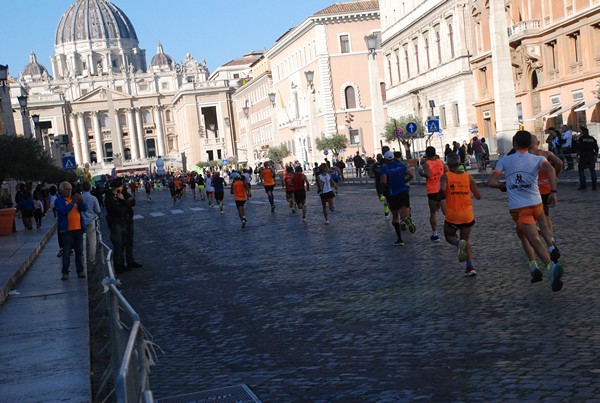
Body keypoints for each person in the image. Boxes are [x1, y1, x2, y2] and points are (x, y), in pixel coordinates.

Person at [487, 130, 563, 292]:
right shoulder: (538, 159)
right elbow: (551, 169)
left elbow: (491, 181)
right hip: (536, 203)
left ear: (514, 143)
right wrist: (554, 192)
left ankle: (550, 267)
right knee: (538, 227)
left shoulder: (505, 161)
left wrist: (502, 186)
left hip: (519, 207)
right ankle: (549, 248)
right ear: (530, 144)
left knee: (533, 238)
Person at [439, 154, 481, 276]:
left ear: (447, 164)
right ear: (460, 164)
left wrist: (439, 198)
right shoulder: (468, 177)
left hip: (453, 215)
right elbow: (478, 196)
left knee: (448, 236)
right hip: (467, 214)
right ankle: (470, 266)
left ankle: (458, 244)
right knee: (466, 240)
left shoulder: (445, 177)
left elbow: (442, 190)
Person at [529, 134, 562, 261]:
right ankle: (551, 239)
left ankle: (544, 241)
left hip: (533, 190)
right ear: (537, 142)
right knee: (545, 215)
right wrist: (554, 176)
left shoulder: (527, 157)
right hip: (547, 189)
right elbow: (559, 162)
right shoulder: (546, 154)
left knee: (535, 217)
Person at [381, 151, 416, 246]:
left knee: (395, 217)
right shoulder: (401, 165)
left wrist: (385, 191)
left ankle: (400, 239)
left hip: (393, 193)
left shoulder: (385, 169)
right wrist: (404, 181)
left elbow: (384, 182)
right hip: (404, 190)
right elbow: (411, 175)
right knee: (404, 213)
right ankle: (406, 219)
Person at [55, 181, 87, 280]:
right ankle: (65, 272)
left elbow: (84, 209)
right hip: (66, 231)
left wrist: (81, 201)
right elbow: (63, 211)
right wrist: (72, 202)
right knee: (66, 252)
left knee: (79, 252)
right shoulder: (59, 201)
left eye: (70, 189)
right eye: (67, 189)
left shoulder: (75, 200)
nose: (69, 191)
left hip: (78, 229)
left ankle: (80, 271)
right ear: (61, 190)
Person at [421, 146, 447, 241]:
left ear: (427, 154)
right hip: (441, 189)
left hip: (432, 190)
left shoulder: (426, 164)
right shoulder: (440, 162)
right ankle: (453, 229)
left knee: (433, 213)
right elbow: (447, 171)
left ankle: (435, 234)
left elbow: (428, 174)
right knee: (446, 212)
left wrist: (421, 173)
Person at [105, 178, 129, 274]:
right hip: (115, 222)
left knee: (123, 244)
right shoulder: (110, 197)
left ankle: (122, 264)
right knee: (118, 245)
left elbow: (128, 205)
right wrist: (123, 202)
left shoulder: (119, 195)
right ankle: (118, 266)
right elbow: (119, 209)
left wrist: (123, 200)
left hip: (122, 221)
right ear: (117, 188)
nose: (122, 188)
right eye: (121, 186)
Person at [81, 181, 102, 266]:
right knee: (92, 240)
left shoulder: (80, 197)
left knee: (80, 240)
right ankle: (92, 259)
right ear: (90, 188)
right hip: (91, 220)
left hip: (81, 221)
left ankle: (81, 258)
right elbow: (98, 210)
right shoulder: (93, 198)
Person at [576, 126, 598, 190]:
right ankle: (594, 186)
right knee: (592, 170)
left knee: (581, 171)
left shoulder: (581, 139)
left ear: (582, 132)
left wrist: (577, 157)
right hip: (591, 156)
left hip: (583, 156)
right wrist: (596, 156)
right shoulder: (592, 139)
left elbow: (578, 148)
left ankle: (583, 185)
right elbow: (596, 148)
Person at [373, 152, 390, 218]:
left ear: (377, 158)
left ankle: (386, 212)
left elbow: (371, 173)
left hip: (379, 183)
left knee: (382, 198)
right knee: (385, 197)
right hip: (385, 182)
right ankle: (386, 211)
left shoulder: (375, 165)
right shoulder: (385, 165)